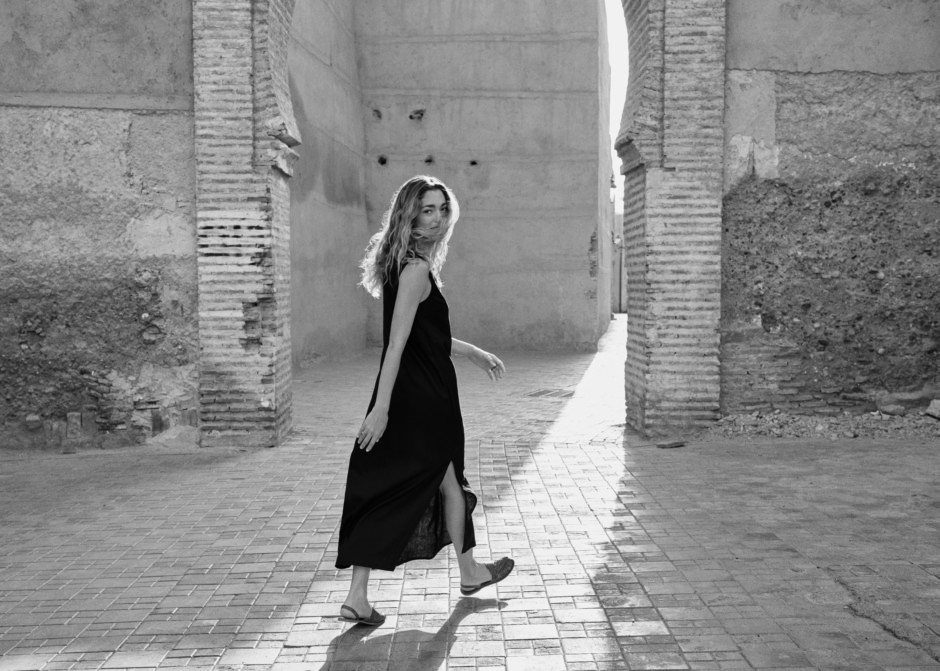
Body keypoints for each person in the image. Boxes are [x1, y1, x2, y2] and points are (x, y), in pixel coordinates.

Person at [335, 175, 514, 627]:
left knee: (387, 481)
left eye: (440, 209)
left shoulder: (404, 263)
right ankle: (469, 572)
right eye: (426, 210)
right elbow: (395, 345)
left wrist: (472, 351)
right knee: (445, 480)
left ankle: (359, 596)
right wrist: (380, 408)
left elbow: (423, 335)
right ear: (409, 215)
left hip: (412, 390)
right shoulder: (415, 270)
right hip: (424, 397)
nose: (435, 219)